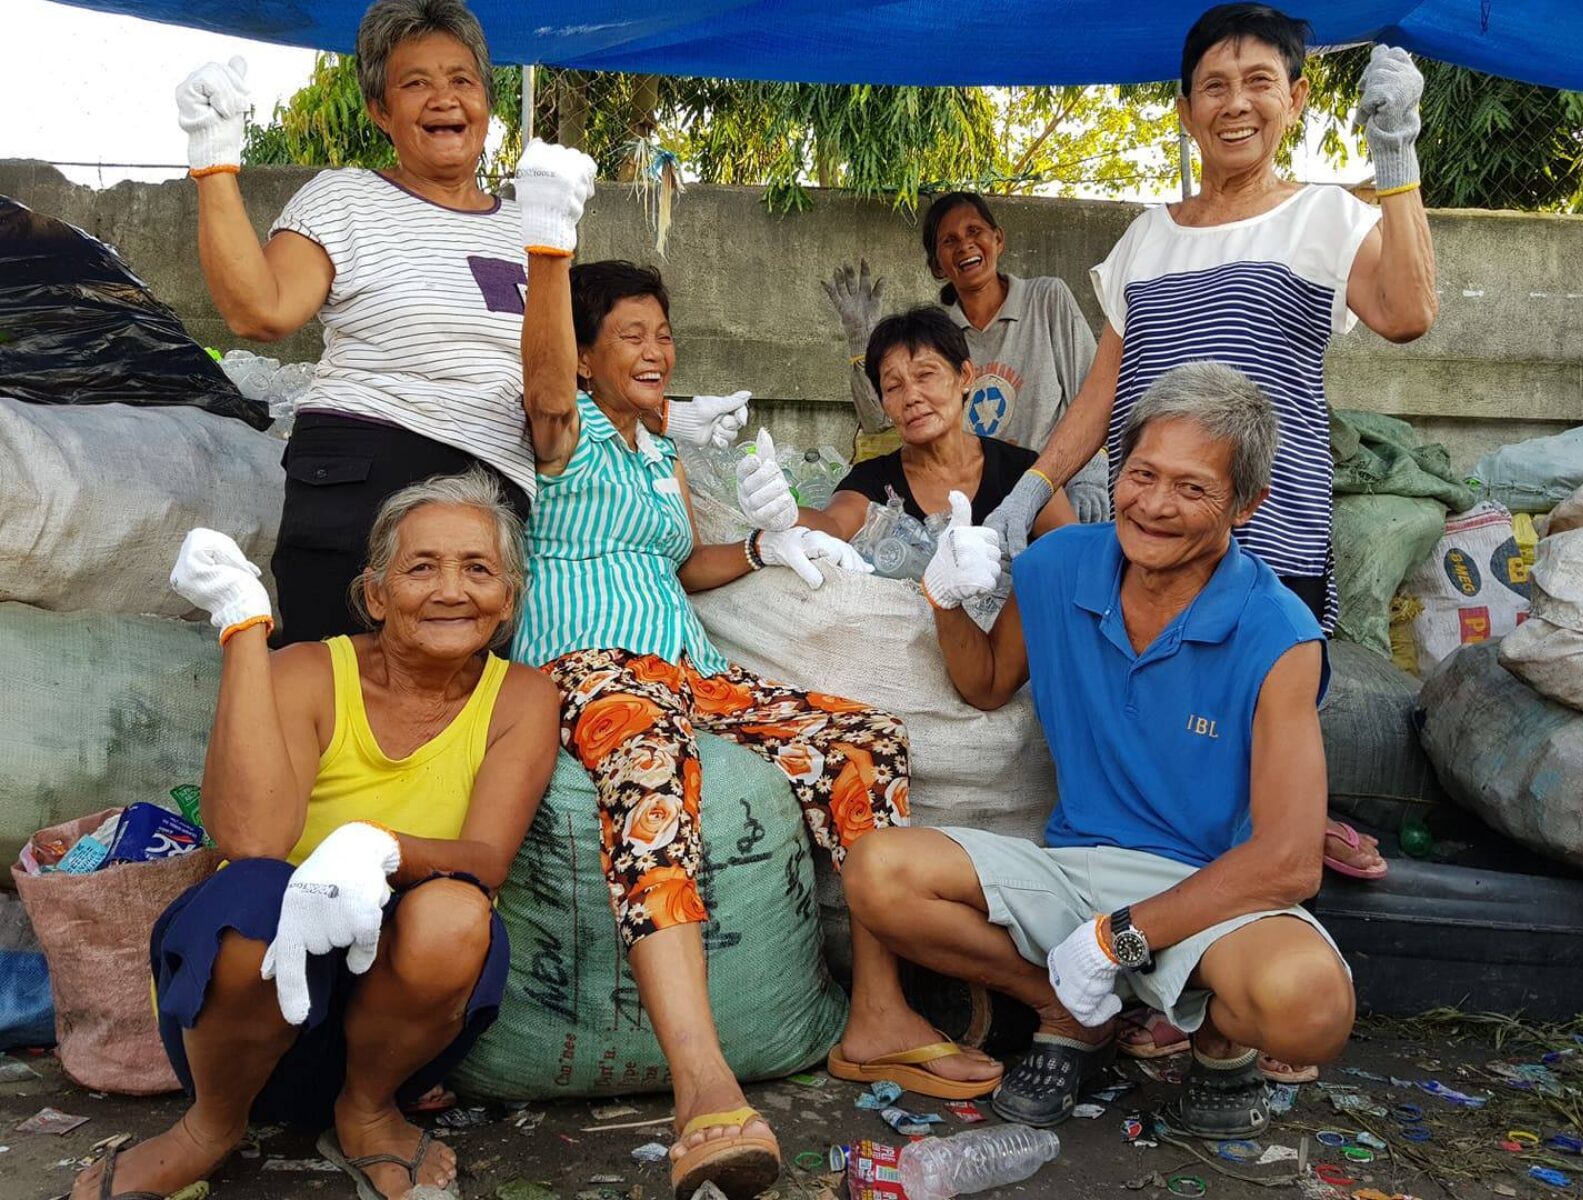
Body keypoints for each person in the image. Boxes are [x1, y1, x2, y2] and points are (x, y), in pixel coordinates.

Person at [511, 139, 1001, 1199]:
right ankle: (700, 1084)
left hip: (682, 662)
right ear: (585, 354)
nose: (657, 348)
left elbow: (685, 564)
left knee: (858, 736)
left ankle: (873, 1012)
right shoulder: (564, 432)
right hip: (587, 666)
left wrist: (774, 546)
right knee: (651, 779)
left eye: (664, 331)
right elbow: (543, 380)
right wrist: (548, 237)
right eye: (630, 334)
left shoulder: (658, 452)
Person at [842, 361, 1355, 1137]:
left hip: (1209, 885)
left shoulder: (1278, 631)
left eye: (1192, 488)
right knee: (877, 872)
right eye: (1142, 474)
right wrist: (943, 596)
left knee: (1310, 1007)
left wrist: (1121, 937)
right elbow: (985, 684)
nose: (1153, 505)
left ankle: (1216, 1039)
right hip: (1072, 865)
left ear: (1245, 505)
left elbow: (1287, 862)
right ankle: (1068, 1010)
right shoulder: (1057, 566)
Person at [983, 4, 1433, 884]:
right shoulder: (1147, 237)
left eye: (1259, 83)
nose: (1236, 104)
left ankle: (1267, 875)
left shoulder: (1326, 218)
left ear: (1296, 98)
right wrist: (1030, 490)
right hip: (1150, 530)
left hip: (1272, 528)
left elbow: (1409, 314)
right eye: (1214, 86)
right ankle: (1150, 921)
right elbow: (1103, 389)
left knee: (1254, 728)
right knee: (1159, 738)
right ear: (1185, 108)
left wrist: (1396, 157)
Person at [174, 0, 748, 645]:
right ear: (380, 111)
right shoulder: (345, 197)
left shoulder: (529, 224)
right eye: (415, 83)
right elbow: (259, 313)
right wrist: (215, 163)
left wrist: (674, 415)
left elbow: (557, 392)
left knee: (462, 713)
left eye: (461, 80)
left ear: (486, 103)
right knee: (337, 683)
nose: (443, 98)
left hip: (495, 489)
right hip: (369, 459)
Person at [72, 469, 559, 1200]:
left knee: (457, 911)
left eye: (478, 569)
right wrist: (243, 630)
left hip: (393, 1026)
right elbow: (251, 839)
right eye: (421, 567)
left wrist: (382, 849)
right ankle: (210, 1126)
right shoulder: (308, 670)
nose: (452, 589)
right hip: (246, 1012)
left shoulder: (522, 696)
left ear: (509, 600)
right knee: (256, 900)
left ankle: (366, 1112)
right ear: (375, 595)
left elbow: (487, 858)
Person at [822, 194, 1108, 522]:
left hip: (1048, 489)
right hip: (969, 504)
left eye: (975, 232)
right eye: (950, 240)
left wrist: (1090, 474)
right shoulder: (936, 335)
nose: (965, 246)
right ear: (937, 264)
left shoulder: (1046, 299)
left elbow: (1094, 394)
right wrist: (861, 345)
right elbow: (880, 421)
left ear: (997, 238)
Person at [735, 306, 1076, 544]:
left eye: (926, 375)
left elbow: (1074, 557)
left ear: (965, 376)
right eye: (893, 386)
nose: (911, 397)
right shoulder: (874, 481)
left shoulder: (1022, 473)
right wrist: (785, 513)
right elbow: (834, 525)